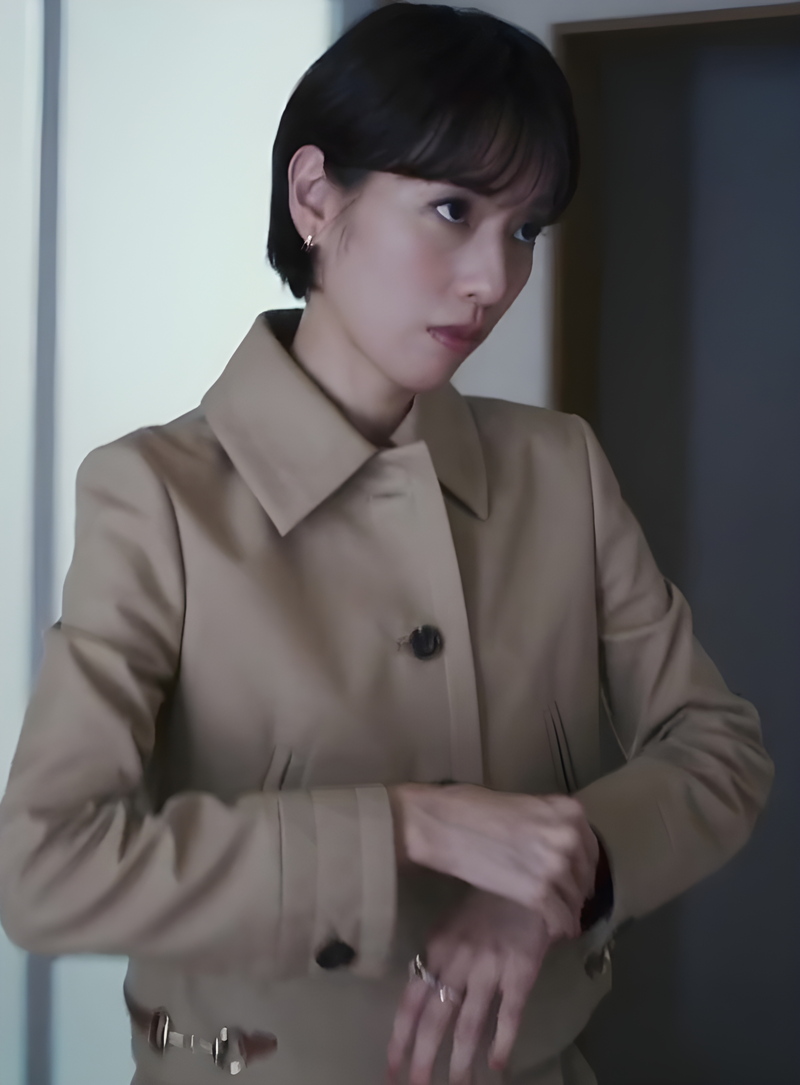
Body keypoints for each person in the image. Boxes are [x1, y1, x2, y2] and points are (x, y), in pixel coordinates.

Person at [0, 4, 773, 1084]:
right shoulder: (156, 495)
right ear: (315, 196)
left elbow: (719, 749)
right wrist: (410, 826)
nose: (492, 279)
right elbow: (46, 870)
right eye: (452, 209)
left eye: (524, 229)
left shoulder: (560, 468)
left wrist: (553, 881)